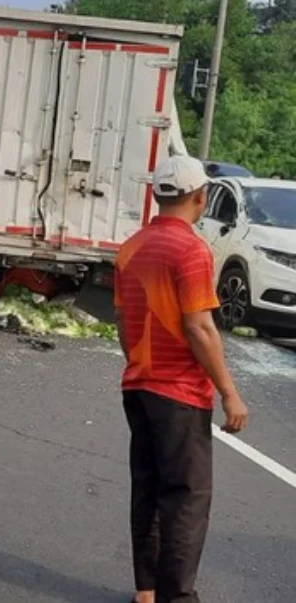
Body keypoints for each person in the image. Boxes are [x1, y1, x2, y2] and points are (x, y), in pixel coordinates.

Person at [114, 155, 249, 603]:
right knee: (186, 499)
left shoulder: (131, 247)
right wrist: (230, 393)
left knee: (148, 491)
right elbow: (200, 326)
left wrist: (138, 364)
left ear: (158, 195)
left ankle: (147, 591)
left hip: (138, 385)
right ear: (199, 197)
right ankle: (177, 597)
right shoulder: (191, 250)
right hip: (179, 393)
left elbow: (122, 320)